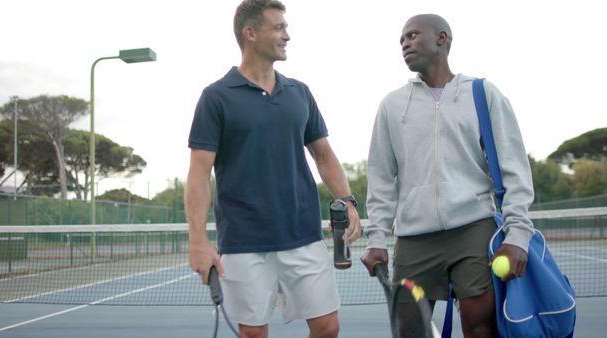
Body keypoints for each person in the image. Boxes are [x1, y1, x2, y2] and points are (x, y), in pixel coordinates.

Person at [185, 1, 362, 337]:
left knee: (328, 327)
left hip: (303, 233)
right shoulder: (216, 97)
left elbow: (323, 154)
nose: (287, 35)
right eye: (279, 27)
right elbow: (198, 173)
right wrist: (198, 240)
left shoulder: (300, 92)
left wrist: (348, 200)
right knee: (254, 334)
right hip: (243, 239)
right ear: (250, 33)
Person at [360, 14, 535, 338]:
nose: (405, 44)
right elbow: (381, 178)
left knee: (480, 327)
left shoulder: (483, 94)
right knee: (409, 329)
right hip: (414, 238)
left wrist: (518, 237)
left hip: (473, 230)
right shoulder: (391, 105)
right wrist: (377, 239)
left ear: (442, 38)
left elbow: (515, 170)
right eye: (401, 40)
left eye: (412, 35)